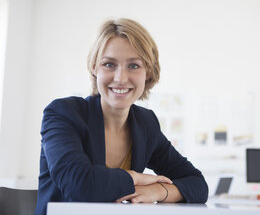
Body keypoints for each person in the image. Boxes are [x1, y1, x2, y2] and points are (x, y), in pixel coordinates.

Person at [34, 18, 208, 215]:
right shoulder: (64, 113)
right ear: (94, 67)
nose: (120, 78)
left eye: (133, 66)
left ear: (148, 72)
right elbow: (80, 184)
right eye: (109, 64)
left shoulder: (146, 123)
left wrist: (159, 191)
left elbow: (197, 183)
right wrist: (136, 178)